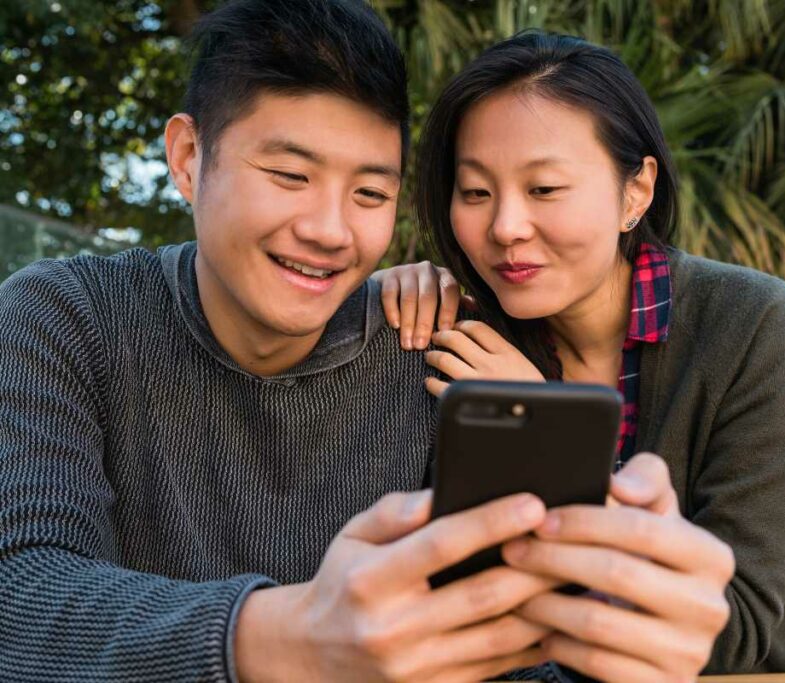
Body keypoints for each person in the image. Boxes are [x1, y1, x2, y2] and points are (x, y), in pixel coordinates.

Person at [0, 3, 732, 682]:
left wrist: (613, 623)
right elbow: (21, 591)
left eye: (371, 194)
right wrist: (284, 633)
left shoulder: (442, 353)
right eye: (289, 175)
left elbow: (510, 653)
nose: (330, 229)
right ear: (189, 157)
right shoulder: (64, 317)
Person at [380, 30, 785, 677]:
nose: (504, 226)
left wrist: (546, 424)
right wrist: (378, 298)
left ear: (635, 192)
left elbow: (731, 630)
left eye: (545, 188)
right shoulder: (470, 340)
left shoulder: (751, 323)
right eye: (475, 192)